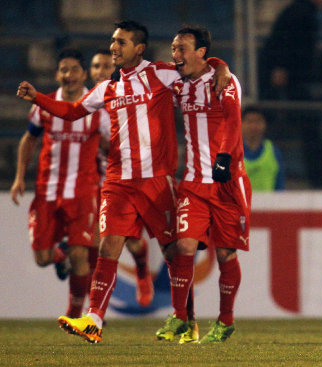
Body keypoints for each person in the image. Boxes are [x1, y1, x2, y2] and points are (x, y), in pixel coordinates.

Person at [16, 20, 230, 344]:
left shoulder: (161, 73)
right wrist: (38, 98)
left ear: (139, 49)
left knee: (175, 253)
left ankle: (187, 320)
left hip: (156, 181)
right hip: (118, 182)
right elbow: (73, 110)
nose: (114, 47)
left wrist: (221, 66)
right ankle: (94, 320)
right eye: (113, 41)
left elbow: (196, 67)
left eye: (121, 42)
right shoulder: (107, 88)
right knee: (108, 247)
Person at [156, 24, 251, 344]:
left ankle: (225, 321)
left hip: (227, 180)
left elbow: (233, 119)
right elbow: (148, 71)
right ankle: (179, 317)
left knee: (226, 255)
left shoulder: (223, 80)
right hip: (194, 182)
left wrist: (224, 156)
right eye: (173, 48)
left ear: (201, 53)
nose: (175, 55)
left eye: (182, 48)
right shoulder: (178, 83)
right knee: (182, 246)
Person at [10, 48, 103, 320]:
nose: (69, 75)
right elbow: (29, 140)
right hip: (47, 190)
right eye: (64, 69)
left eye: (74, 69)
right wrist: (18, 177)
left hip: (83, 191)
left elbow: (113, 145)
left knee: (80, 253)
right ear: (57, 74)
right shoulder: (44, 105)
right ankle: (58, 256)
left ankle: (74, 312)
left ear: (84, 74)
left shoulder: (97, 108)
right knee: (41, 259)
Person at [89, 49, 153, 308]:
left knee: (133, 243)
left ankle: (141, 271)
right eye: (96, 66)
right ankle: (92, 306)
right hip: (90, 184)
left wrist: (104, 144)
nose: (101, 71)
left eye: (106, 66)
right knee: (94, 244)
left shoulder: (125, 98)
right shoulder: (87, 102)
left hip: (122, 181)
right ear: (89, 71)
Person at [258, 0, 322, 188]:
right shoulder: (301, 13)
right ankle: (319, 178)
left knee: (303, 124)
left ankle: (318, 176)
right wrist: (280, 67)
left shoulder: (299, 11)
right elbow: (285, 40)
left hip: (291, 77)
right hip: (289, 78)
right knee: (304, 124)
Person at [242, 105, 285, 191]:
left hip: (269, 204)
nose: (253, 126)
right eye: (249, 121)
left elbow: (280, 187)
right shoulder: (230, 153)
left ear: (264, 124)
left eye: (258, 121)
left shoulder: (274, 153)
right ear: (241, 124)